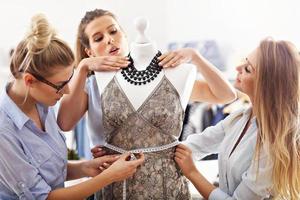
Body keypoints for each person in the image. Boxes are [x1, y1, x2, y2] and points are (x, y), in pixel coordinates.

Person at [57, 9, 236, 199]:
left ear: (124, 35)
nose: (109, 40)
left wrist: (195, 57)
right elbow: (64, 123)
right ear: (89, 51)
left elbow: (226, 95)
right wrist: (83, 67)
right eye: (98, 38)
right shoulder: (91, 84)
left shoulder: (168, 76)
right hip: (113, 182)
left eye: (113, 31)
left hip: (166, 183)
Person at [0, 14, 144, 200]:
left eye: (69, 80)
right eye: (61, 85)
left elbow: (47, 171)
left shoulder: (43, 103)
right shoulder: (4, 132)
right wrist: (109, 177)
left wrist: (85, 168)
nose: (67, 90)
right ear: (30, 81)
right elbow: (43, 197)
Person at [175, 38, 300, 199]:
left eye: (248, 69)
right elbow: (198, 144)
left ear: (265, 85)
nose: (237, 68)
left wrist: (192, 173)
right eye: (244, 61)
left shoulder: (273, 144)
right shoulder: (240, 117)